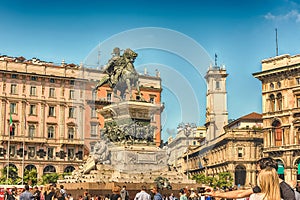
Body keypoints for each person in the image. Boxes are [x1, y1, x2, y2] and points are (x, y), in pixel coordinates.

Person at [204, 157, 296, 200]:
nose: (256, 175)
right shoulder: (262, 187)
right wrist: (215, 194)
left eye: (258, 171)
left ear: (267, 171)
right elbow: (240, 193)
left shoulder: (286, 191)